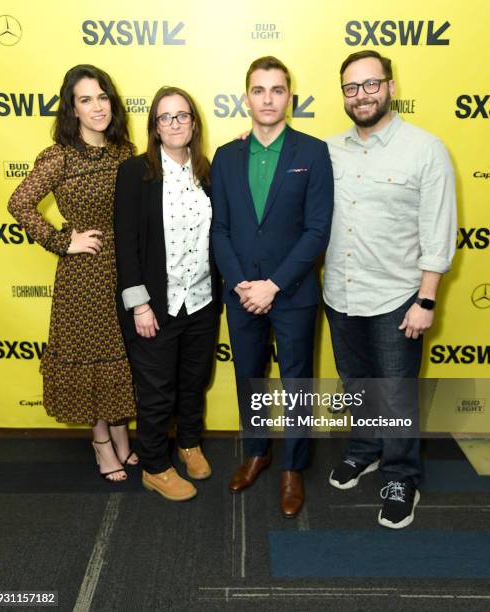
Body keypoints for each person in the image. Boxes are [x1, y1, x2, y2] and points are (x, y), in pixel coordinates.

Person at [324, 50, 457, 528]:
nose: (362, 95)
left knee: (397, 395)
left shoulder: (426, 149)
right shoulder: (328, 149)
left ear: (391, 87)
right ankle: (365, 449)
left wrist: (426, 299)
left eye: (371, 84)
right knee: (357, 385)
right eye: (351, 88)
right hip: (340, 293)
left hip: (397, 297)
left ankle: (401, 475)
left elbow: (438, 232)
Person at [211, 56, 334, 518]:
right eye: (259, 90)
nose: (268, 99)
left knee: (297, 382)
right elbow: (219, 229)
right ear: (246, 98)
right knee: (251, 378)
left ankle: (293, 466)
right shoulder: (227, 156)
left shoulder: (313, 152)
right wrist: (243, 283)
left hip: (294, 292)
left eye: (277, 90)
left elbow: (317, 230)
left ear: (290, 98)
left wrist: (275, 285)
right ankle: (258, 452)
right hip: (241, 291)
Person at [7, 64, 138, 482]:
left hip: (124, 269)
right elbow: (19, 203)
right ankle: (101, 441)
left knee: (120, 353)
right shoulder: (59, 156)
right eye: (86, 99)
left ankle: (120, 427)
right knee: (87, 358)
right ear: (73, 109)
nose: (97, 107)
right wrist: (65, 241)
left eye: (103, 97)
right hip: (83, 277)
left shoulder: (124, 150)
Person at [114, 86, 219, 502]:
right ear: (154, 127)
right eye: (165, 117)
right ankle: (155, 466)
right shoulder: (135, 172)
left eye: (182, 115)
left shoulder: (207, 172)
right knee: (157, 392)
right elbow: (126, 242)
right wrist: (138, 303)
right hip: (155, 306)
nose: (175, 123)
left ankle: (188, 444)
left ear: (194, 122)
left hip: (202, 301)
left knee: (194, 382)